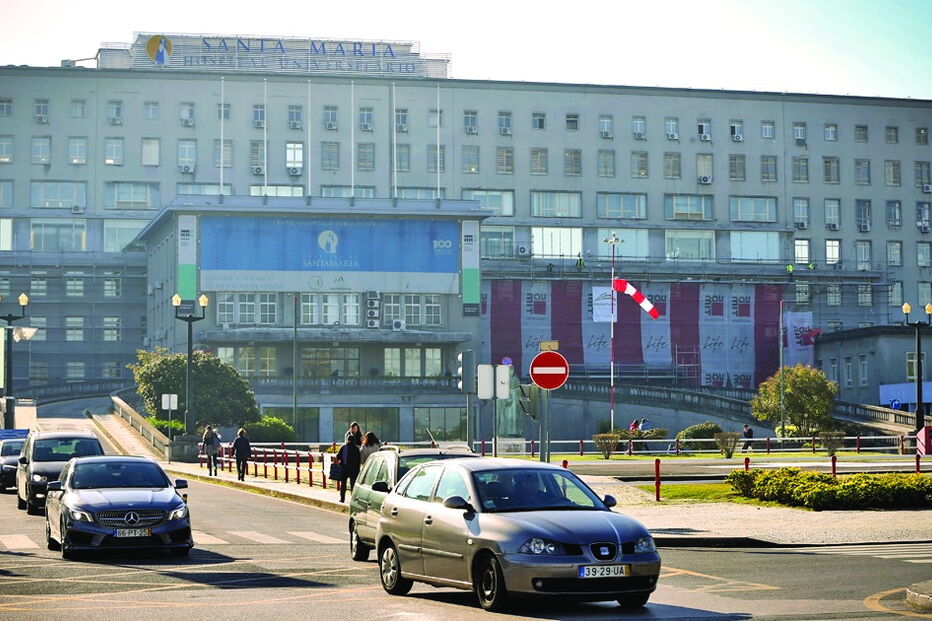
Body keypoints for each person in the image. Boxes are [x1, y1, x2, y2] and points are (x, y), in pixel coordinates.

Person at [336, 435, 361, 503]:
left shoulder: (344, 447)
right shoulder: (356, 448)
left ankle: (342, 498)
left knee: (343, 484)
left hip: (344, 469)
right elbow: (359, 459)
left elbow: (338, 456)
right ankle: (353, 500)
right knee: (353, 485)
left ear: (347, 440)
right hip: (354, 469)